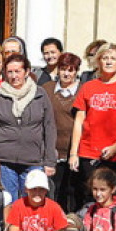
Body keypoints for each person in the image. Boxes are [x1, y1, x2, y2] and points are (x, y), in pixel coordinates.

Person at [0, 53, 57, 199]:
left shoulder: (40, 95)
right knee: (9, 203)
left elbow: (49, 127)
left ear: (26, 72)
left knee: (32, 203)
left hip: (33, 160)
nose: (14, 76)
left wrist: (50, 160)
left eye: (18, 71)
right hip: (4, 160)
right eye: (10, 72)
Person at [70, 42, 116, 198]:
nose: (108, 62)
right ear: (98, 61)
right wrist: (73, 153)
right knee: (89, 196)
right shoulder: (88, 87)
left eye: (113, 58)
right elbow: (79, 121)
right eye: (105, 58)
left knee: (113, 198)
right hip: (88, 153)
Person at [41, 52, 82, 211]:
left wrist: (74, 153)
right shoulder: (47, 88)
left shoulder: (83, 90)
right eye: (63, 69)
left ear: (76, 71)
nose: (66, 73)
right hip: (51, 151)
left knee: (72, 194)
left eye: (71, 70)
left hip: (74, 152)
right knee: (53, 192)